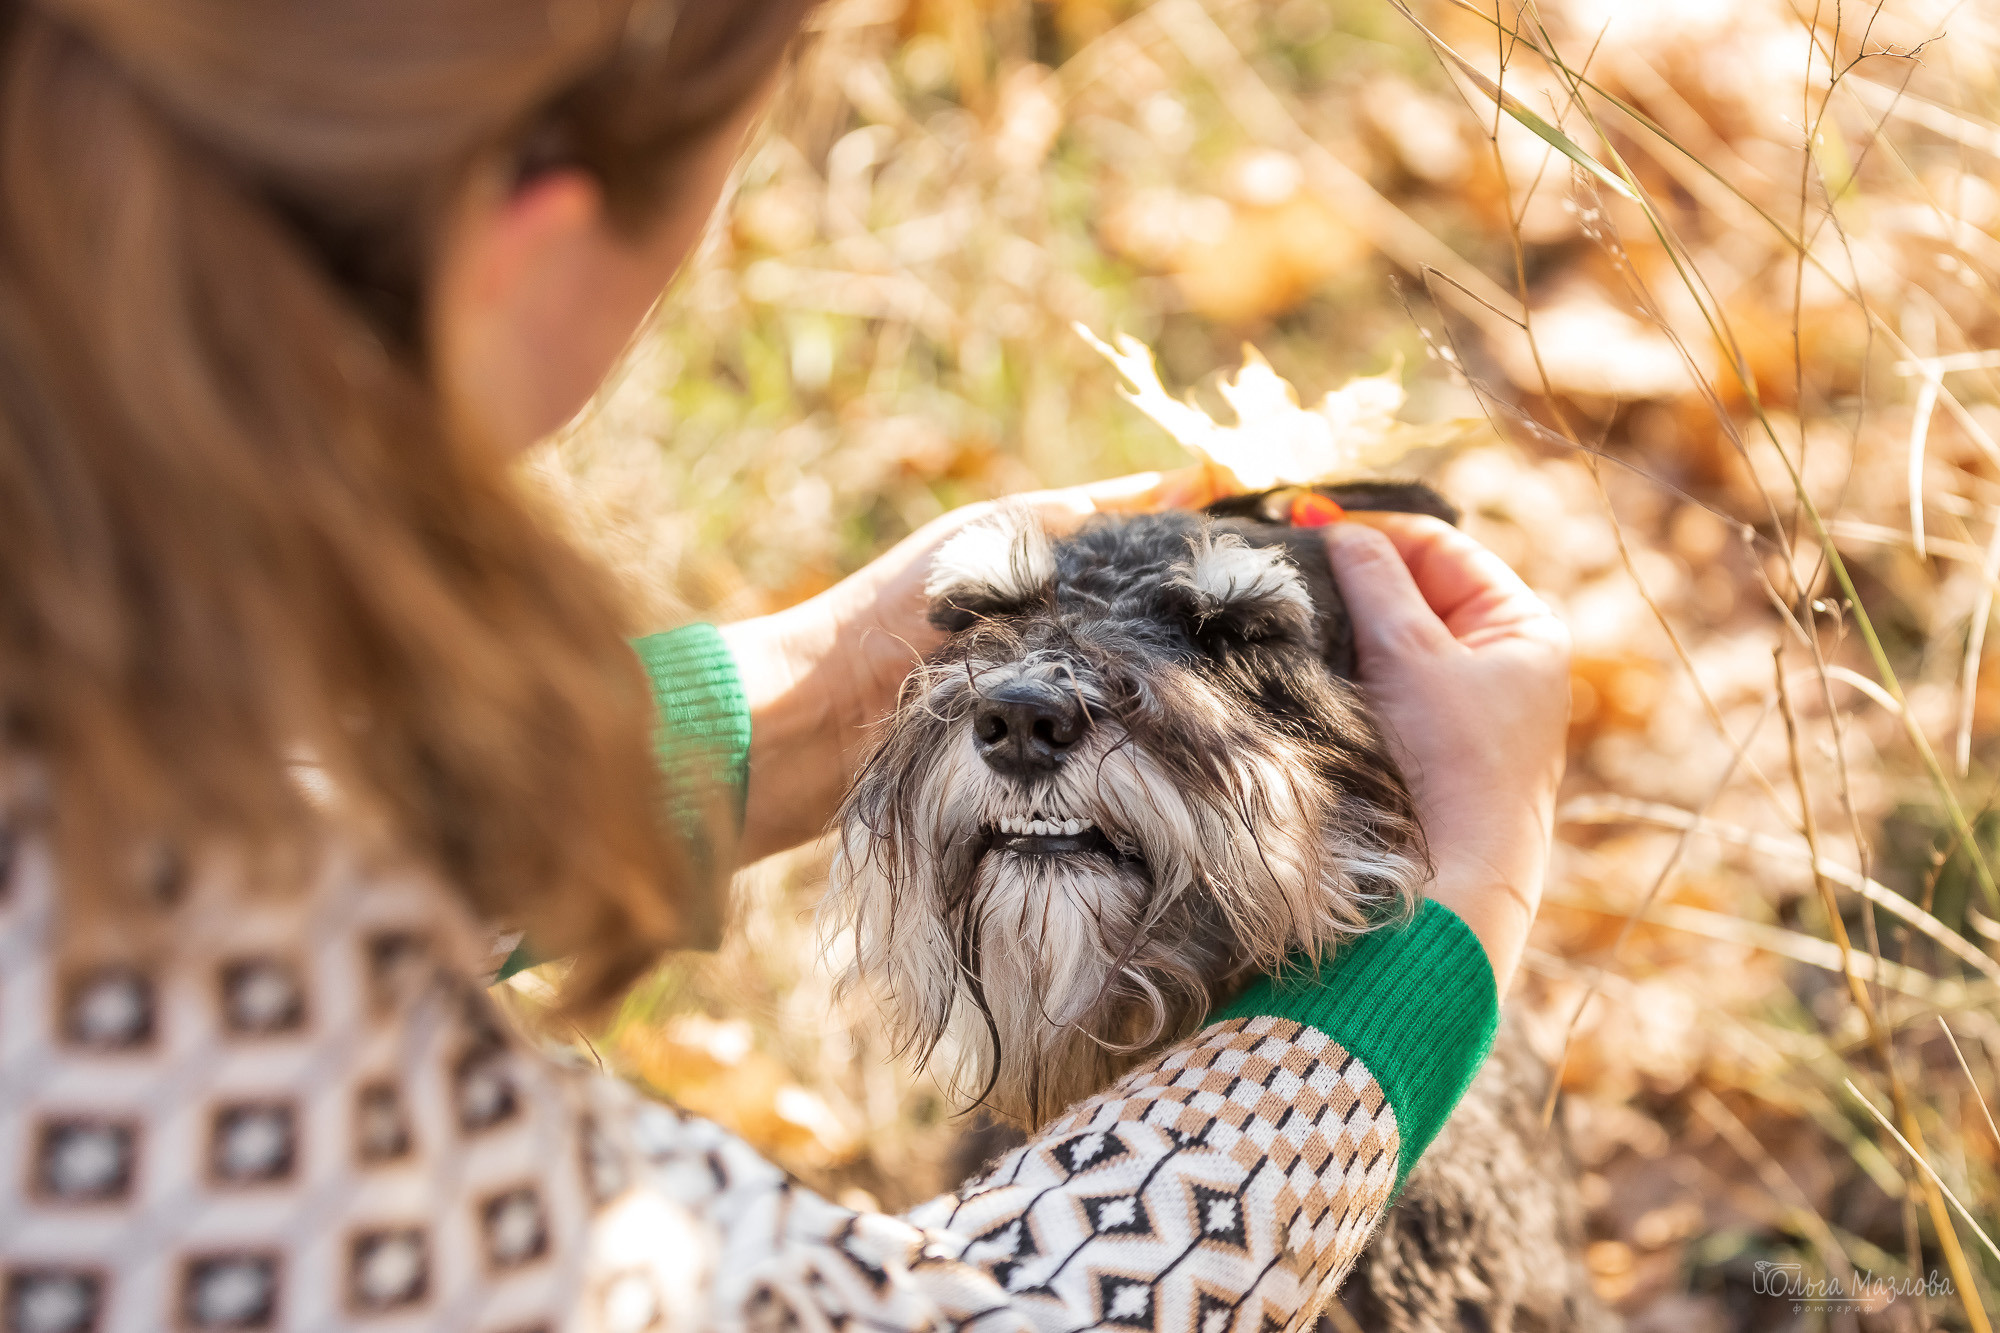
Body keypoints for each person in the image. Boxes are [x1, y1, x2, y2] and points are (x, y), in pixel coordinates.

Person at [0, 0, 1571, 1329]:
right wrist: (1467, 912)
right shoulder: (211, 1089)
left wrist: (803, 700)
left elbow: (207, 845)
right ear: (531, 242)